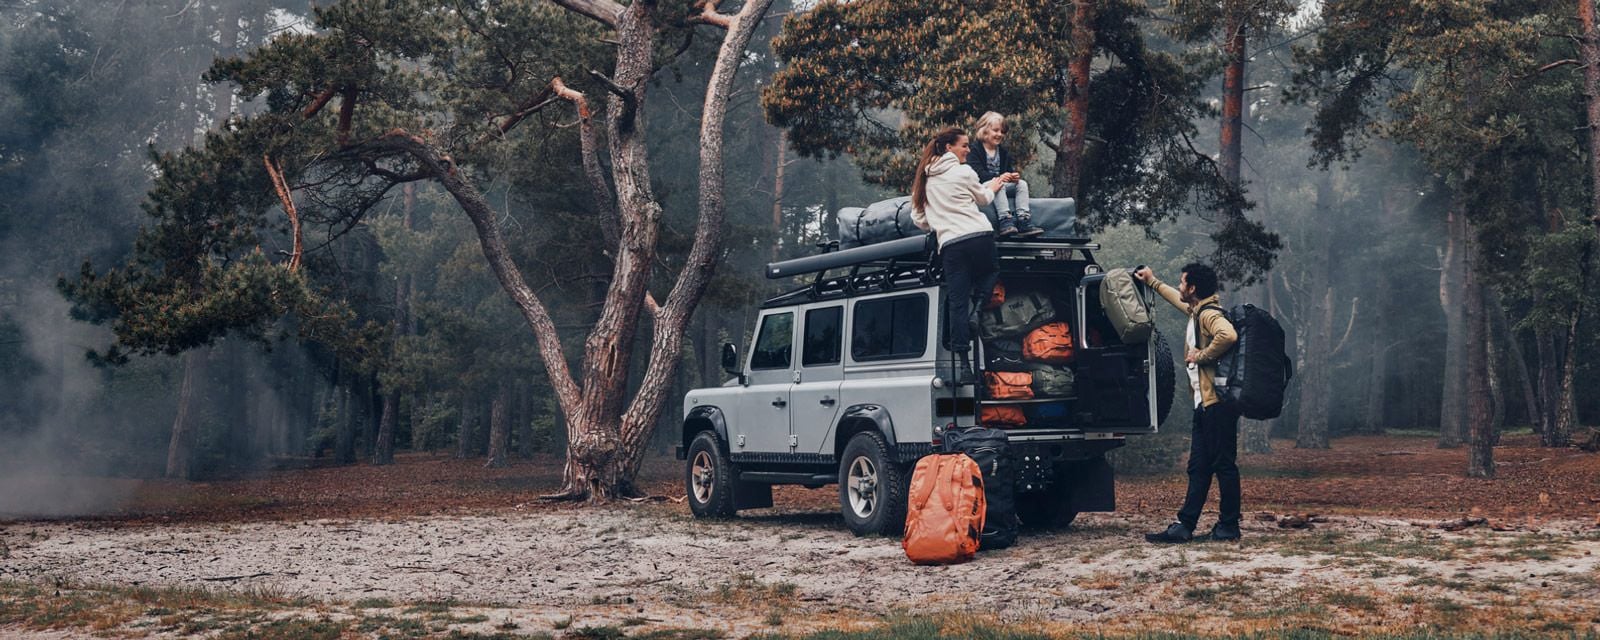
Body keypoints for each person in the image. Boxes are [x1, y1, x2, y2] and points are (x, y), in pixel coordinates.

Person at [1134, 263, 1242, 543]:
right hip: (1205, 405)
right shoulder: (1198, 311)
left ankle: (1229, 527)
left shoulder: (1207, 314)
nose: (1180, 286)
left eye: (1183, 282)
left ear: (1192, 288)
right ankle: (1185, 525)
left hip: (1217, 403)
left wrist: (1201, 355)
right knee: (1199, 466)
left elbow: (1228, 335)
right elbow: (1175, 298)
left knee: (1224, 465)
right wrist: (1152, 281)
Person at [909, 126, 1017, 383]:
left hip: (951, 245)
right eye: (965, 145)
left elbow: (918, 218)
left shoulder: (925, 180)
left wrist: (938, 219)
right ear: (949, 148)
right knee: (991, 271)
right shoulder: (963, 172)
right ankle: (977, 310)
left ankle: (964, 368)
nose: (969, 150)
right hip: (978, 236)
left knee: (957, 303)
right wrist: (996, 183)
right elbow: (983, 199)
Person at [967, 112, 1040, 238]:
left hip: (999, 185)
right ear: (984, 131)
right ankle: (1005, 220)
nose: (999, 134)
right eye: (995, 130)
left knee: (1021, 184)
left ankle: (1023, 219)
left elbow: (1008, 171)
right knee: (998, 183)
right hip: (982, 186)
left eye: (1002, 131)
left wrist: (1013, 176)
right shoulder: (974, 150)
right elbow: (977, 174)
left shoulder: (1003, 152)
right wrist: (1000, 178)